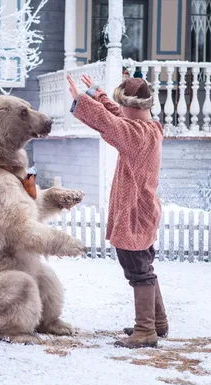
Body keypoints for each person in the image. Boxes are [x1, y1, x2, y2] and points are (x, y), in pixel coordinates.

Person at [67, 74, 168, 349]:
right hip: (144, 210)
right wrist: (97, 94)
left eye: (123, 105)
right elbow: (118, 119)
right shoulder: (150, 128)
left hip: (134, 213)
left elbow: (110, 123)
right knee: (144, 266)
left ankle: (146, 330)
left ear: (132, 107)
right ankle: (157, 322)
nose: (119, 108)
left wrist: (81, 100)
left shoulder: (134, 136)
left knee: (138, 270)